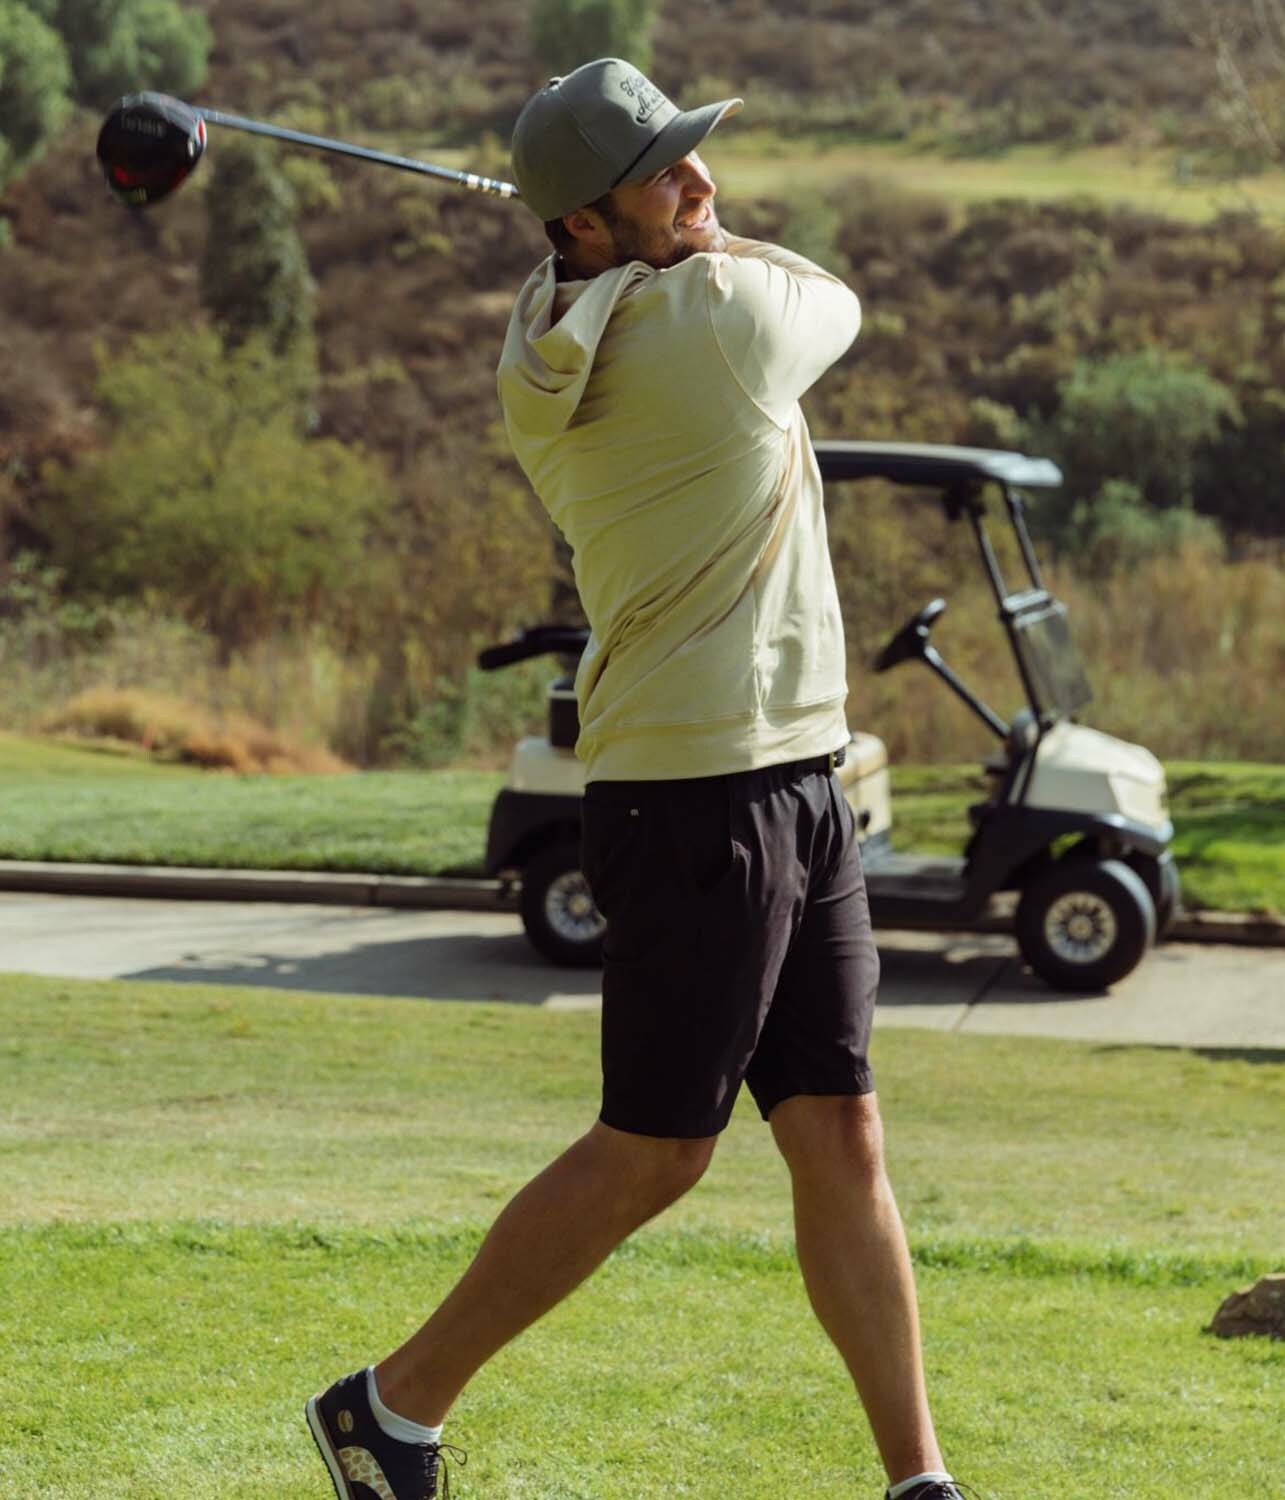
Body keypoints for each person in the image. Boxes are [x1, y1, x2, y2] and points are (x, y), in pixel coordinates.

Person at [305, 57, 973, 1500]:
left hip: (786, 768)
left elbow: (662, 266)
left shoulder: (548, 329)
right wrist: (695, 240)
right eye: (666, 171)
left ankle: (918, 1480)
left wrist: (645, 226)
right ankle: (389, 1405)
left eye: (693, 156)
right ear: (582, 223)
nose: (702, 183)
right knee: (657, 1151)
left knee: (841, 1131)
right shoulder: (718, 323)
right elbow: (837, 297)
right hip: (703, 793)